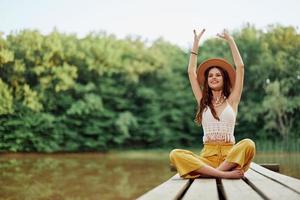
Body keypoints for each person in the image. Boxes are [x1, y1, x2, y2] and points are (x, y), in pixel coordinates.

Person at [169, 29, 256, 179]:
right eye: (210, 75)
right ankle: (222, 174)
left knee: (248, 144)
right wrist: (195, 44)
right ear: (207, 81)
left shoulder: (232, 100)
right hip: (207, 158)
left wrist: (231, 40)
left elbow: (240, 67)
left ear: (224, 79)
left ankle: (211, 174)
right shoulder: (202, 100)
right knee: (175, 154)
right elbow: (191, 71)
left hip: (230, 158)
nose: (213, 78)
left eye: (218, 75)